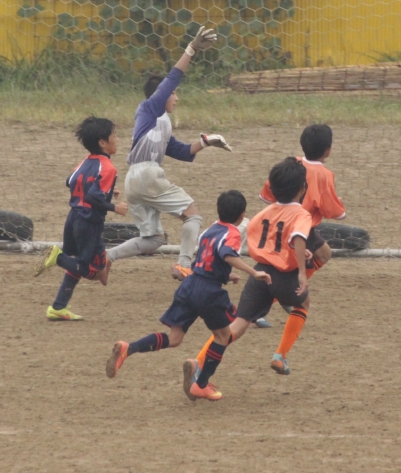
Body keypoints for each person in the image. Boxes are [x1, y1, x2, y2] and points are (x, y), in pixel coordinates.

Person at [105, 190, 271, 401]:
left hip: (190, 284)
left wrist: (226, 276)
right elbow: (227, 254)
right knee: (223, 337)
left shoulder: (210, 230)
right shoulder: (233, 233)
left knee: (174, 338)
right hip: (208, 292)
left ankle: (128, 349)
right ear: (242, 215)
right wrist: (253, 272)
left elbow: (207, 259)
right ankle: (200, 384)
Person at [106, 26, 233, 280]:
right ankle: (184, 264)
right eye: (173, 93)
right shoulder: (150, 107)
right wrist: (192, 48)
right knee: (193, 215)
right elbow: (173, 77)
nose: (176, 97)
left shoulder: (160, 121)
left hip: (134, 179)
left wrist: (206, 142)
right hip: (148, 175)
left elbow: (181, 151)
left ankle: (107, 256)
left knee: (154, 239)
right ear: (161, 94)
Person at [194, 158, 313, 378]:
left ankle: (198, 361)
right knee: (303, 303)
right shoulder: (302, 214)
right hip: (283, 276)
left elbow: (262, 235)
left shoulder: (263, 213)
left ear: (272, 188)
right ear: (302, 188)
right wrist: (301, 272)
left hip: (259, 273)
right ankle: (280, 355)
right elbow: (297, 237)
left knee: (237, 325)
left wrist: (288, 250)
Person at [33, 116, 129, 321]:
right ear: (102, 142)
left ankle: (58, 307)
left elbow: (70, 181)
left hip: (73, 218)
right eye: (114, 135)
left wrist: (106, 190)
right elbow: (92, 197)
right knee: (91, 271)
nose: (118, 139)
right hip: (89, 223)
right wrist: (114, 207)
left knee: (81, 265)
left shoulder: (86, 161)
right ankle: (57, 257)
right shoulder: (109, 168)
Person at [258, 123, 346, 277]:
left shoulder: (291, 164)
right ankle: (292, 281)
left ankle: (289, 278)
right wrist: (337, 203)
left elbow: (266, 196)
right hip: (301, 226)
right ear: (328, 150)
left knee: (322, 253)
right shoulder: (324, 175)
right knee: (318, 256)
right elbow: (334, 213)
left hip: (279, 220)